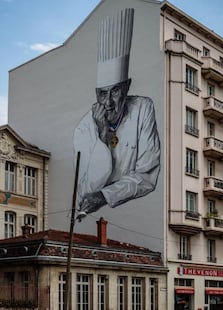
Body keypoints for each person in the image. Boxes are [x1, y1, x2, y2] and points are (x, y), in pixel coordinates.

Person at [73, 8, 160, 216]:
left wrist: (105, 195)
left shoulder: (143, 108)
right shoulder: (84, 128)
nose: (108, 102)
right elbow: (86, 190)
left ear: (127, 87)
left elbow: (147, 177)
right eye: (102, 94)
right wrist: (102, 138)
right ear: (95, 93)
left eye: (115, 92)